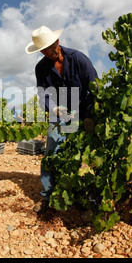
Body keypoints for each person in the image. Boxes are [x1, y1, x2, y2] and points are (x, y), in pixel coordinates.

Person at [25, 25, 98, 213]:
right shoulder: (41, 68)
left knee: (89, 155)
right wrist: (54, 108)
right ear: (41, 51)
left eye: (52, 46)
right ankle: (48, 196)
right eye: (45, 50)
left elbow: (94, 87)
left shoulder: (78, 59)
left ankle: (90, 195)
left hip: (84, 113)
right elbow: (43, 96)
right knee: (52, 152)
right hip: (60, 116)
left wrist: (90, 116)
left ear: (57, 41)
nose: (51, 51)